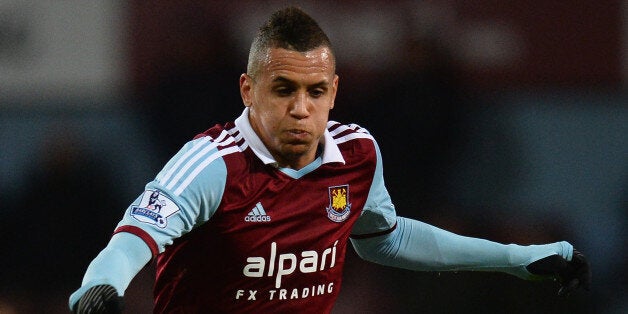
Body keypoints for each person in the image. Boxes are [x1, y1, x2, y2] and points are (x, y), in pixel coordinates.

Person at [69, 7, 590, 313]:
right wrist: (99, 288)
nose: (301, 109)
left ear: (334, 91)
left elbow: (390, 239)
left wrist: (515, 259)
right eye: (283, 90)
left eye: (315, 91)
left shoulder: (357, 154)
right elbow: (132, 241)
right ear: (249, 90)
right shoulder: (212, 164)